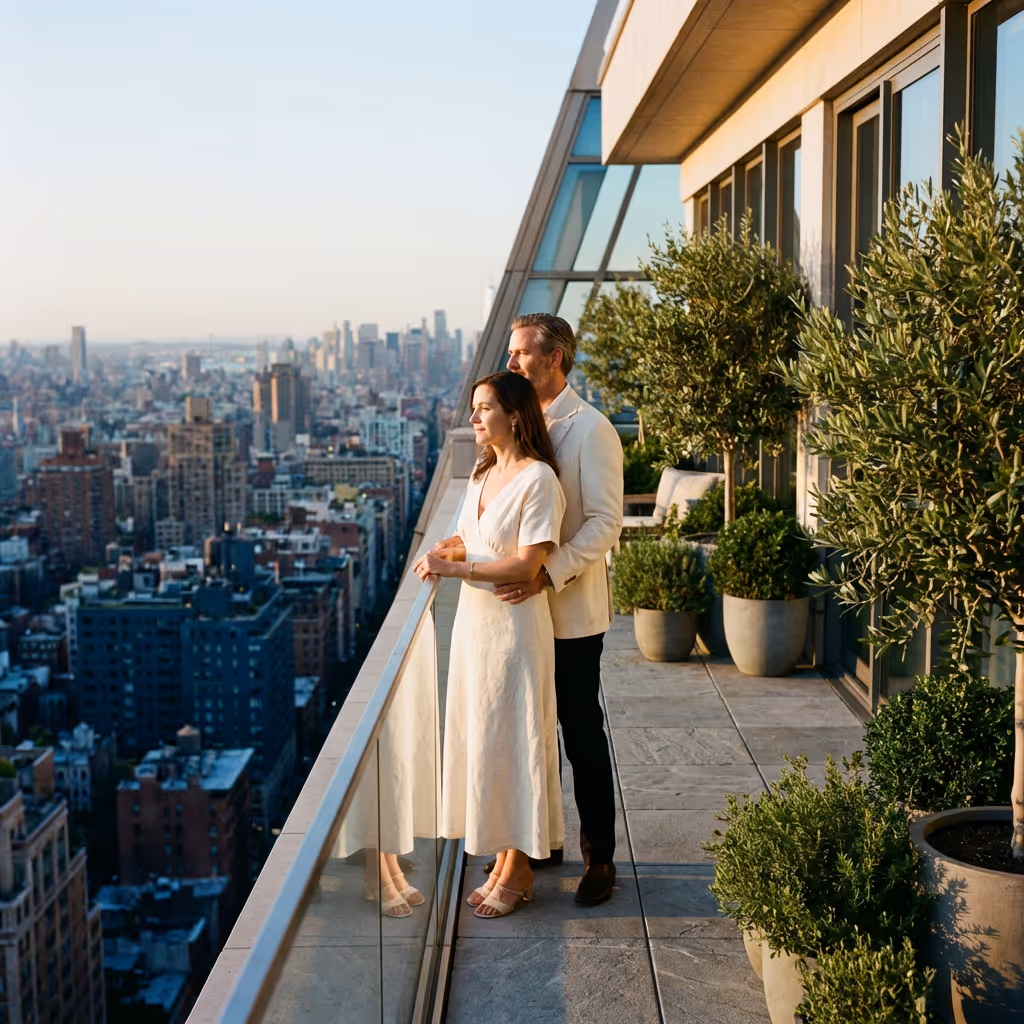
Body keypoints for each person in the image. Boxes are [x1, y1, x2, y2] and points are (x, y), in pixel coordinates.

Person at [413, 370, 565, 919]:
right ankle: (504, 862)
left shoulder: (538, 479)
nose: (473, 418)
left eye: (483, 409)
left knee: (514, 740)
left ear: (515, 415)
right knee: (487, 740)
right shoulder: (482, 473)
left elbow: (528, 562)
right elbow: (467, 538)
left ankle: (520, 864)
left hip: (515, 628)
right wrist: (441, 552)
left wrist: (454, 570)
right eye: (473, 408)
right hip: (476, 629)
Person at [498, 312, 623, 906]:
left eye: (522, 353)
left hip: (570, 613)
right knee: (530, 733)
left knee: (581, 736)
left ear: (555, 358)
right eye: (512, 352)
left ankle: (601, 859)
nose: (512, 362)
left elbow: (604, 523)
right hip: (521, 615)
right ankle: (540, 843)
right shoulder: (518, 428)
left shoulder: (592, 428)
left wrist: (549, 573)